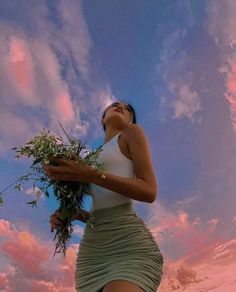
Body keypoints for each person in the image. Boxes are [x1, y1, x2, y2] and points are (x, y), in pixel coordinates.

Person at [45, 100, 164, 292]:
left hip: (129, 246)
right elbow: (101, 207)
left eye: (127, 110)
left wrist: (90, 175)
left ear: (130, 121)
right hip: (92, 254)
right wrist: (73, 213)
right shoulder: (89, 160)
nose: (121, 107)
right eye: (115, 105)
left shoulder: (131, 134)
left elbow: (149, 191)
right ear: (103, 118)